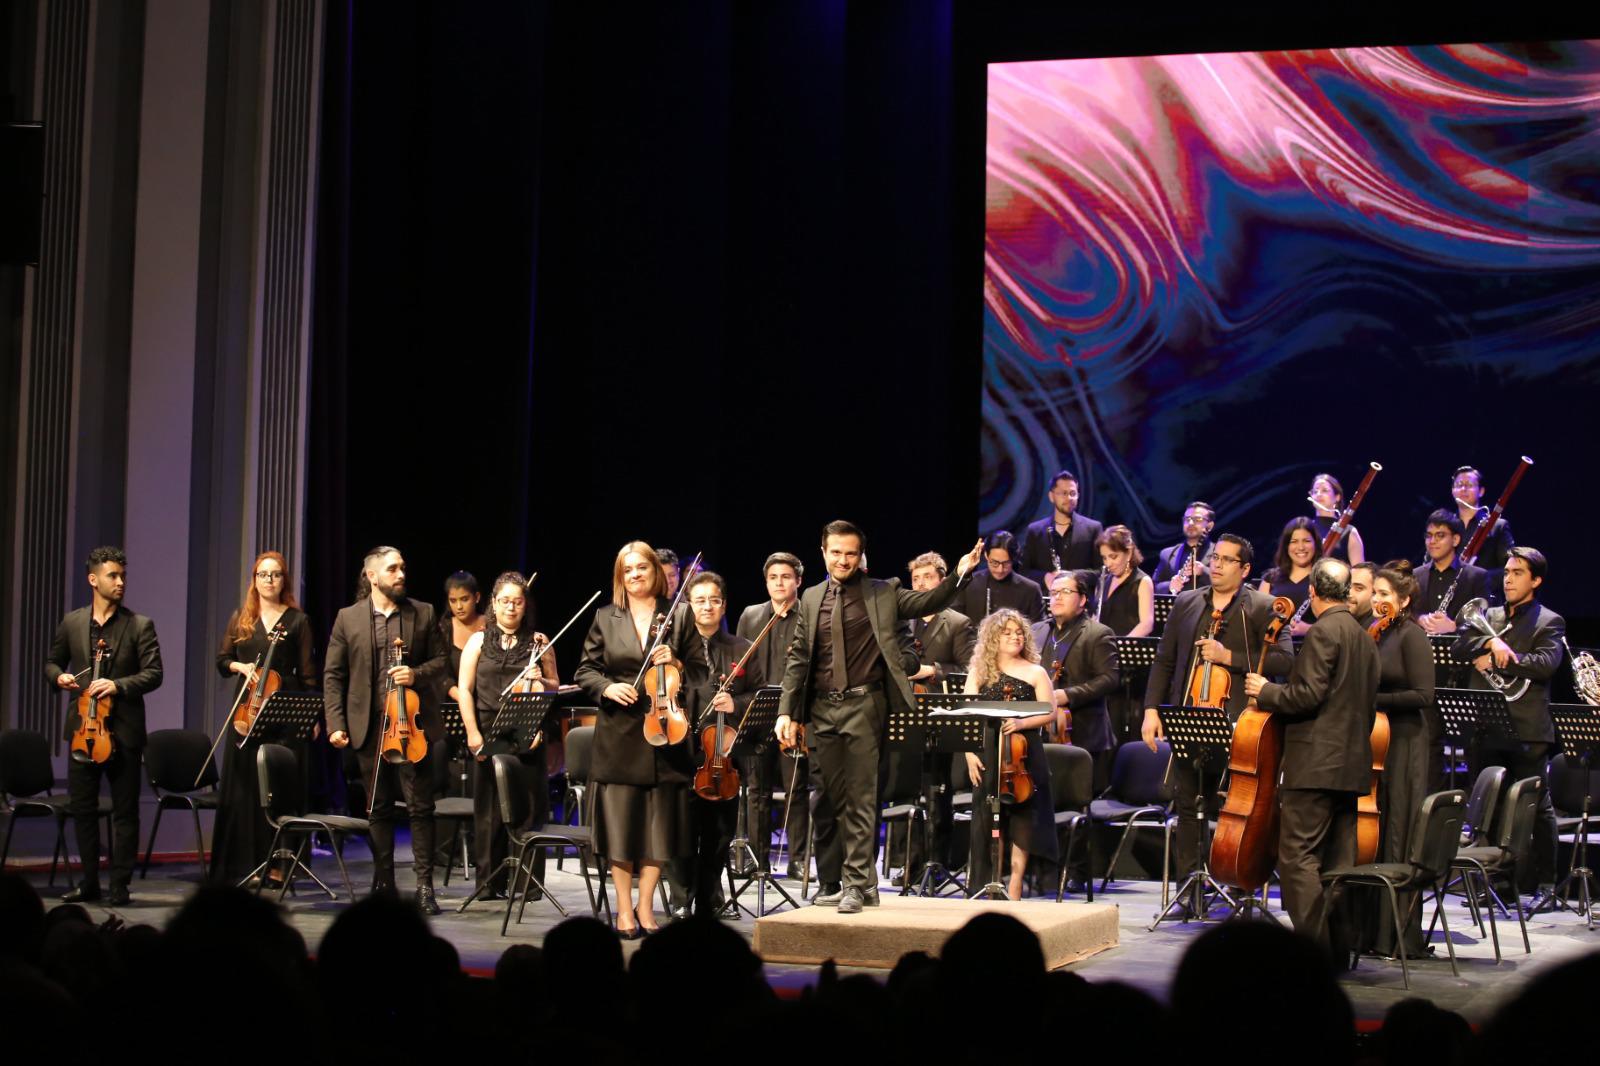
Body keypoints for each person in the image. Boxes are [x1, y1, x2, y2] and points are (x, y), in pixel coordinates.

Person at [774, 521, 983, 915]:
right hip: (821, 709)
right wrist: (788, 711)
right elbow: (799, 659)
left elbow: (928, 602)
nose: (843, 559)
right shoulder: (811, 597)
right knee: (825, 800)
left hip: (864, 706)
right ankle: (834, 880)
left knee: (860, 798)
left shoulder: (882, 592)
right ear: (823, 552)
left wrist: (959, 573)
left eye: (850, 553)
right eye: (836, 552)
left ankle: (857, 884)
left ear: (859, 555)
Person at [1142, 534, 1295, 897]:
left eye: (1227, 560)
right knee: (1189, 805)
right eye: (1215, 558)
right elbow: (1165, 659)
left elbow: (1286, 660)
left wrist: (1229, 658)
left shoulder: (1262, 606)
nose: (1217, 564)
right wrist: (1151, 709)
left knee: (1237, 807)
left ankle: (1239, 882)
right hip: (1192, 717)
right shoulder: (1187, 602)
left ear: (1245, 569)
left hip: (1243, 726)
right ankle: (1189, 889)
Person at [1245, 557, 1378, 954]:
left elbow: (1307, 696)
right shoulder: (1363, 636)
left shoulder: (1323, 632)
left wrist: (1266, 691)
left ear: (1313, 593)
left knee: (1298, 859)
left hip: (1315, 765)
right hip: (1351, 765)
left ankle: (1312, 954)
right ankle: (1339, 949)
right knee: (1337, 866)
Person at [573, 541, 694, 937]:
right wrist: (607, 689)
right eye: (628, 570)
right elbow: (586, 671)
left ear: (656, 571)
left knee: (658, 831)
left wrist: (674, 662)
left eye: (642, 567)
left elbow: (700, 672)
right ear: (620, 576)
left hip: (665, 733)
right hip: (620, 736)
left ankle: (646, 909)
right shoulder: (605, 617)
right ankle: (624, 911)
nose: (636, 575)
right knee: (622, 830)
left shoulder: (678, 616)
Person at [323, 546, 450, 914]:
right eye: (393, 569)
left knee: (419, 807)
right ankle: (384, 883)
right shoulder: (348, 618)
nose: (401, 575)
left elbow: (442, 661)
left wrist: (416, 674)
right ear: (372, 576)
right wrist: (336, 722)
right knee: (377, 808)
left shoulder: (422, 613)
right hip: (369, 725)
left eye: (403, 568)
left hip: (411, 724)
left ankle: (425, 887)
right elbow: (334, 674)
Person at [46, 546, 164, 905]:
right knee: (83, 809)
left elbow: (155, 673)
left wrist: (118, 685)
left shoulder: (139, 625)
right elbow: (52, 662)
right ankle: (89, 882)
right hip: (85, 728)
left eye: (123, 576)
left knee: (125, 811)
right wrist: (61, 677)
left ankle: (119, 885)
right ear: (93, 579)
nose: (120, 582)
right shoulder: (73, 622)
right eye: (113, 575)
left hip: (124, 731)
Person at [1451, 547, 1564, 911]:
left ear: (1536, 580)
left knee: (1537, 808)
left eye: (1518, 573)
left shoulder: (1549, 621)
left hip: (1527, 730)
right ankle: (1495, 880)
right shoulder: (1490, 616)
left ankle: (1547, 884)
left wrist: (1505, 659)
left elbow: (1546, 664)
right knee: (1491, 808)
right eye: (1507, 572)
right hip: (1487, 726)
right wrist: (1488, 640)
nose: (1509, 579)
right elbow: (1458, 644)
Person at [210, 551, 318, 887]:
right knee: (245, 788)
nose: (269, 580)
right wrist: (238, 666)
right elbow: (222, 659)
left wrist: (311, 716)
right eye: (263, 575)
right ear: (254, 580)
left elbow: (308, 675)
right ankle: (244, 863)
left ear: (284, 580)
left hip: (282, 712)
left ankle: (278, 865)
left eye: (276, 575)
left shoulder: (298, 621)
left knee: (279, 789)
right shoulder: (241, 619)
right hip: (247, 713)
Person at [455, 571, 559, 898]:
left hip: (527, 730)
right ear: (493, 604)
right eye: (504, 602)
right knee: (489, 810)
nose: (511, 608)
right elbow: (464, 689)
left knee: (529, 807)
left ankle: (527, 884)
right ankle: (489, 883)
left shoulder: (540, 643)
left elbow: (555, 687)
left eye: (517, 602)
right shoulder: (477, 641)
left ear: (525, 605)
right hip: (487, 729)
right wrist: (472, 733)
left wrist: (541, 680)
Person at [677, 570, 762, 917]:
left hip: (724, 757)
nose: (707, 606)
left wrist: (737, 704)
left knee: (720, 833)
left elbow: (759, 692)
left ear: (724, 604)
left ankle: (710, 897)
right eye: (700, 600)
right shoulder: (677, 650)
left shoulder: (741, 648)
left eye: (714, 600)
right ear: (688, 605)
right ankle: (682, 897)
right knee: (682, 832)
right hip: (683, 752)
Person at [1364, 560, 1436, 956]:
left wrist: (1374, 700)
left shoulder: (1412, 636)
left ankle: (1397, 935)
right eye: (1374, 593)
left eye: (1384, 595)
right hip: (1377, 745)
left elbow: (1424, 696)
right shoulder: (1374, 633)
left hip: (1406, 745)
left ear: (1404, 600)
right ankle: (1369, 932)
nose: (1377, 600)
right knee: (1375, 835)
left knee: (1398, 836)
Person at [892, 551, 977, 885]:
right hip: (905, 715)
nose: (921, 584)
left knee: (936, 791)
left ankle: (936, 862)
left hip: (940, 718)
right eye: (916, 579)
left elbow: (970, 671)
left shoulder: (958, 623)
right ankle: (906, 862)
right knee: (905, 791)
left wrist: (931, 671)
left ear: (942, 580)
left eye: (927, 578)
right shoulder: (902, 621)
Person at [962, 609, 1058, 899]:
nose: (1015, 637)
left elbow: (1050, 712)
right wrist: (969, 752)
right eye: (1007, 633)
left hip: (1025, 754)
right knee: (991, 817)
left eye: (1019, 632)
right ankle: (992, 882)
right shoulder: (979, 671)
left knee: (1023, 818)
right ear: (993, 637)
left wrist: (1021, 722)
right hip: (988, 751)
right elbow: (968, 714)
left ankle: (1015, 882)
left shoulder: (1035, 671)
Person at [1032, 569, 1119, 846]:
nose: (1056, 597)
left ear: (1083, 599)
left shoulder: (1098, 633)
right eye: (1053, 592)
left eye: (1064, 592)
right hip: (1040, 731)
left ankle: (1078, 871)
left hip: (1082, 733)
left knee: (1078, 805)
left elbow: (1109, 679)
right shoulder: (1038, 630)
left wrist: (1066, 695)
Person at [735, 552, 807, 878]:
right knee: (756, 788)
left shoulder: (809, 614)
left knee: (796, 788)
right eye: (773, 577)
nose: (779, 583)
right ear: (766, 582)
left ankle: (799, 859)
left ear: (798, 581)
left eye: (786, 577)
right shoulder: (751, 616)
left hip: (794, 714)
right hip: (758, 711)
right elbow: (740, 665)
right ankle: (758, 858)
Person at [1018, 469, 1105, 584]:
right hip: (1045, 599)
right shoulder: (1035, 530)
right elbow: (1023, 571)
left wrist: (1073, 576)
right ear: (1051, 496)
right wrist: (1046, 577)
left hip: (1081, 599)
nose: (1069, 498)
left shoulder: (1093, 528)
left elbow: (1102, 571)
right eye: (1064, 493)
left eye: (1073, 493)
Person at [1415, 509, 1492, 633]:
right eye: (1429, 536)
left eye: (1440, 535)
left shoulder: (1477, 576)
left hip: (1459, 650)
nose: (1432, 541)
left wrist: (1454, 627)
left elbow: (1486, 622)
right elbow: (1404, 613)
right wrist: (1419, 619)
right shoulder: (1415, 575)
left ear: (1455, 540)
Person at [958, 530, 1042, 625]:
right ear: (986, 555)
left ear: (1013, 559)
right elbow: (956, 625)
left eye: (1006, 563)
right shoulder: (968, 583)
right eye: (994, 563)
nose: (1000, 569)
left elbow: (1038, 630)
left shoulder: (1031, 590)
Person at [1258, 516, 1320, 637]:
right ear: (1286, 546)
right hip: (1276, 650)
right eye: (1294, 541)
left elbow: (1337, 625)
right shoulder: (1270, 579)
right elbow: (1258, 621)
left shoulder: (1324, 579)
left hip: (1315, 651)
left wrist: (1308, 629)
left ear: (1315, 543)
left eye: (1306, 541)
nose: (1301, 547)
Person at [1451, 465, 1514, 572]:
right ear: (1452, 491)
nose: (1463, 489)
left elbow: (1509, 568)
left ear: (1481, 491)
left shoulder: (1497, 526)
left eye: (1469, 485)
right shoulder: (1443, 526)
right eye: (1459, 485)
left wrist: (1480, 580)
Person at [1094, 525, 1154, 637]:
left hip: (1126, 650)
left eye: (1113, 556)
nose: (1108, 563)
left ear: (1129, 553)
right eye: (1104, 558)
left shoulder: (1143, 581)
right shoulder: (1103, 580)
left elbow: (1147, 624)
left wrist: (1122, 646)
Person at [439, 571, 486, 705]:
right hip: (455, 703)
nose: (459, 607)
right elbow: (440, 672)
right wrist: (462, 698)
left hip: (487, 704)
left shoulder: (492, 626)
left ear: (476, 597)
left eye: (464, 599)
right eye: (453, 601)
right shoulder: (444, 628)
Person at [1152, 502, 1216, 595]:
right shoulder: (1167, 554)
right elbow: (1153, 587)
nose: (1190, 523)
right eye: (1187, 519)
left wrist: (1204, 571)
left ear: (1209, 526)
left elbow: (1230, 585)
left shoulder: (1220, 553)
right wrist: (1170, 585)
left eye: (1197, 519)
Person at [1306, 472, 1365, 564]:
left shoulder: (1349, 532)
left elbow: (1359, 573)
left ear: (1337, 497)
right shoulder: (1304, 529)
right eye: (1315, 491)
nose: (1318, 494)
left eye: (1325, 490)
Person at [1347, 561, 1377, 626]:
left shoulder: (1375, 630)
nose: (1349, 593)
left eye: (1359, 588)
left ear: (1375, 593)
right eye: (1347, 586)